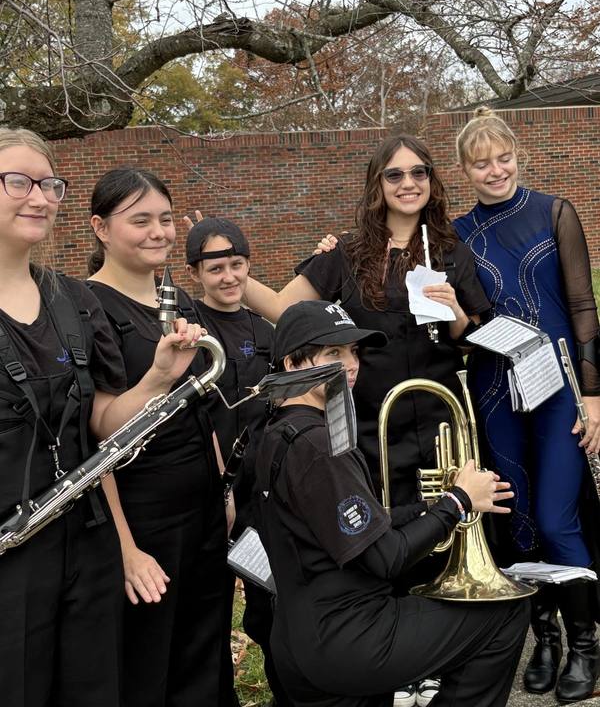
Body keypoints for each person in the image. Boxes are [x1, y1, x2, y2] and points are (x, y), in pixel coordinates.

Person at [0, 129, 206, 707]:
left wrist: (159, 377)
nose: (38, 197)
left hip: (84, 542)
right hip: (10, 554)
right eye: (18, 182)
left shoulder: (69, 299)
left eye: (49, 185)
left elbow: (100, 429)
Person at [255, 299, 530, 707]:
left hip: (297, 637)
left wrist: (426, 504)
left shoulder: (277, 432)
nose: (351, 365)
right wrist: (457, 502)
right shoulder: (322, 444)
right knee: (506, 613)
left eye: (354, 352)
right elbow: (386, 559)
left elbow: (349, 527)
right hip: (348, 638)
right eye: (334, 353)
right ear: (294, 364)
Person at [242, 134, 490, 518]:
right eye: (394, 175)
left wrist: (455, 309)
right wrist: (226, 269)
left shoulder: (452, 250)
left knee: (447, 520)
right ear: (378, 184)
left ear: (431, 180)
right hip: (371, 421)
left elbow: (469, 340)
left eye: (417, 172)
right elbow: (280, 307)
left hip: (440, 418)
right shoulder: (347, 251)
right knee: (383, 523)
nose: (407, 183)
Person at [454, 106, 600, 703]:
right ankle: (543, 639)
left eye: (504, 157)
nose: (496, 170)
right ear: (465, 170)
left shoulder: (554, 212)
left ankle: (586, 643)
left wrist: (594, 396)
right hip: (495, 390)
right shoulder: (456, 234)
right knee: (517, 522)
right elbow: (462, 325)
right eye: (482, 162)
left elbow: (584, 307)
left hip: (559, 387)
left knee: (559, 516)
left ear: (518, 155)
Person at [87, 168, 235, 707]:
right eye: (140, 220)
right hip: (143, 516)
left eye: (167, 219)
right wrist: (124, 548)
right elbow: (95, 438)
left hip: (200, 505)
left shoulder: (177, 299)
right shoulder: (87, 308)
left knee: (205, 647)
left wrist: (222, 490)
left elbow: (202, 402)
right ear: (101, 229)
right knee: (152, 659)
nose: (159, 232)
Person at [185, 217, 293, 707]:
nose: (228, 277)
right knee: (208, 605)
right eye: (215, 268)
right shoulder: (188, 329)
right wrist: (222, 490)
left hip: (260, 491)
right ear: (194, 274)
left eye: (237, 265)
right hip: (211, 489)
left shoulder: (266, 332)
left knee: (269, 602)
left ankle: (287, 691)